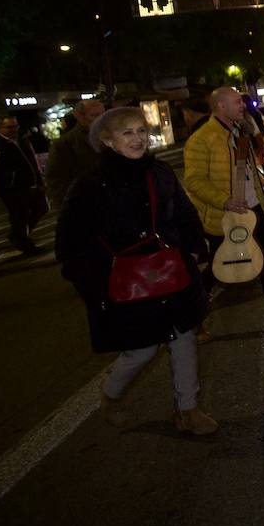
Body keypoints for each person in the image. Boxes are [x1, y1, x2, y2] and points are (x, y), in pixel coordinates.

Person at [55, 108, 217, 435]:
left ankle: (188, 408)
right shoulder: (90, 185)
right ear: (107, 141)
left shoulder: (158, 172)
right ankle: (112, 394)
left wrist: (195, 246)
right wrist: (91, 280)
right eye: (127, 133)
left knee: (183, 336)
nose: (138, 138)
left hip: (172, 270)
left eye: (141, 130)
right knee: (142, 349)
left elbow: (184, 212)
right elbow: (71, 241)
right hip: (126, 279)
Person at [182, 88, 264, 327]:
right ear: (221, 106)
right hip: (225, 215)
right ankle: (190, 317)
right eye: (237, 102)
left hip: (251, 208)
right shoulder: (201, 139)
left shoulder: (237, 130)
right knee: (217, 266)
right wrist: (224, 200)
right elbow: (193, 180)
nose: (243, 105)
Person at [0, 115, 45, 255]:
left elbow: (31, 162)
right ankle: (23, 241)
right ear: (0, 128)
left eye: (15, 126)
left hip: (27, 184)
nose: (13, 130)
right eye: (9, 127)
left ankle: (19, 235)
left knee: (41, 206)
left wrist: (39, 179)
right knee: (19, 214)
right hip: (10, 187)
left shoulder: (20, 141)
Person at [45, 98, 106, 208]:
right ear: (80, 117)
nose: (101, 120)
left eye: (103, 115)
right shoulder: (65, 144)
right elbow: (56, 182)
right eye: (95, 115)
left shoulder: (113, 138)